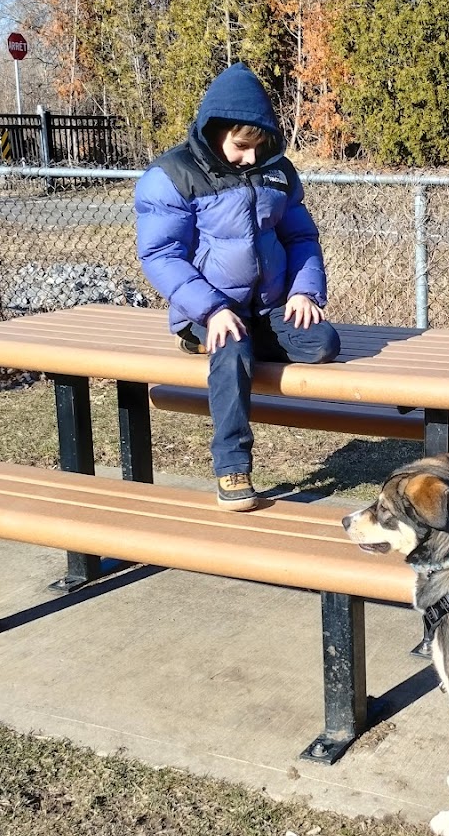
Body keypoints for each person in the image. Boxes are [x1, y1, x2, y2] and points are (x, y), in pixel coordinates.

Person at [135, 62, 340, 511]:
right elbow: (160, 255)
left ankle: (243, 341)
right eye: (242, 146)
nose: (250, 157)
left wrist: (305, 292)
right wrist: (208, 311)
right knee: (231, 352)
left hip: (266, 306)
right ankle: (232, 466)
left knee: (323, 342)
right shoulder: (171, 175)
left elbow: (300, 237)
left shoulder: (278, 172)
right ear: (216, 130)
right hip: (209, 310)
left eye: (259, 146)